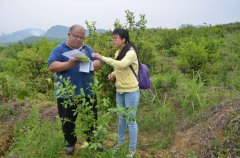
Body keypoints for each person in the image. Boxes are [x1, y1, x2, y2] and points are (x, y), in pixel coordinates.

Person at [48, 24, 101, 155]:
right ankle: (70, 144)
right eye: (75, 36)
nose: (78, 39)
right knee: (68, 121)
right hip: (67, 94)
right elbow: (52, 65)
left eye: (81, 37)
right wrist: (69, 64)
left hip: (87, 92)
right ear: (69, 34)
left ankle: (92, 140)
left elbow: (98, 62)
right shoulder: (59, 49)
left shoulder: (87, 49)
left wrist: (87, 64)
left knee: (91, 119)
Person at [92, 28, 140, 158]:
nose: (113, 40)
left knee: (131, 120)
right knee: (121, 118)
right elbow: (118, 68)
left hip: (131, 91)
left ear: (123, 39)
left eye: (115, 38)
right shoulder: (118, 51)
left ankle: (132, 149)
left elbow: (122, 64)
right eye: (112, 38)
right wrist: (113, 74)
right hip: (120, 90)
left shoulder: (131, 52)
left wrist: (101, 57)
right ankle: (119, 144)